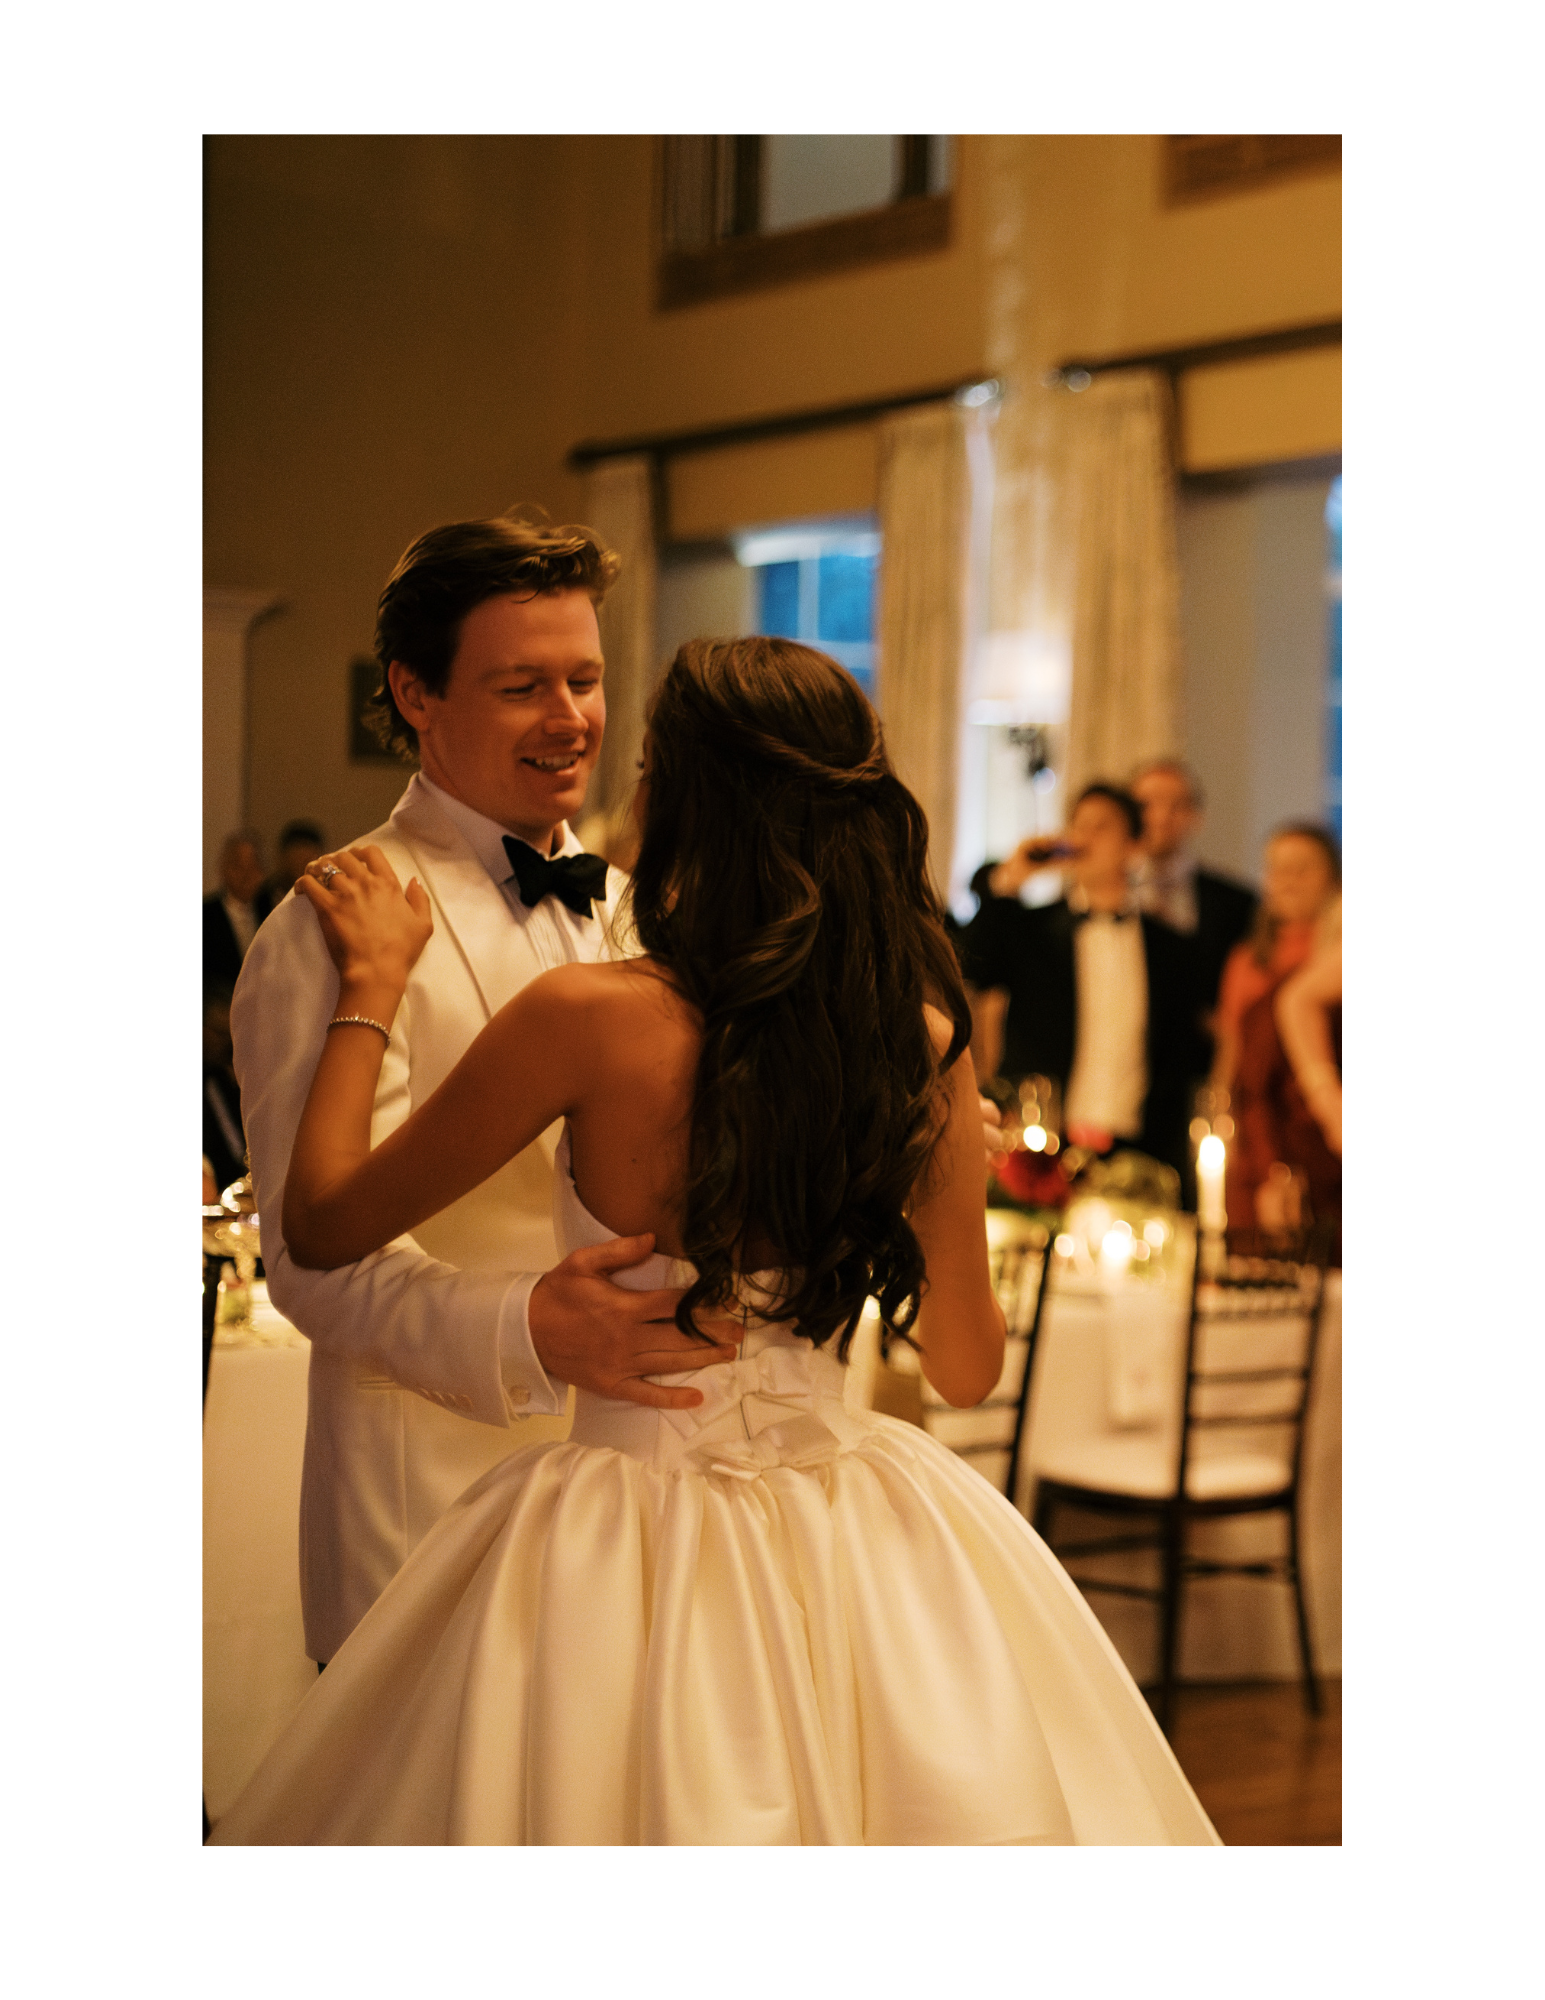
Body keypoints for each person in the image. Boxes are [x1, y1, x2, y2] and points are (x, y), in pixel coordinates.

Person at [211, 639, 1218, 1846]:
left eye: (647, 756)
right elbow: (963, 1365)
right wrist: (935, 1156)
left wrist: (370, 988)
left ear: (692, 794)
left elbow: (317, 1219)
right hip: (863, 1524)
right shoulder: (921, 1038)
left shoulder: (591, 1016)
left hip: (621, 1527)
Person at [230, 514, 742, 1669]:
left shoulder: (638, 908)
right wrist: (526, 1328)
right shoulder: (331, 925)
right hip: (430, 1503)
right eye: (522, 685)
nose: (569, 720)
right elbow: (311, 1261)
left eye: (586, 679)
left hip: (649, 1495)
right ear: (415, 693)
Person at [956, 784, 1207, 1182]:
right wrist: (1012, 877)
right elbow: (969, 966)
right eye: (1079, 826)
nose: (1085, 838)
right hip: (1043, 1146)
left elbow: (1182, 1055)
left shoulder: (1171, 948)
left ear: (1133, 845)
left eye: (1101, 827)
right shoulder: (1033, 929)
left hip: (1138, 1154)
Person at [1211, 824, 1341, 1241]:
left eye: (1301, 869)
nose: (1287, 881)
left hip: (1318, 1143)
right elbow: (1234, 1057)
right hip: (1261, 1133)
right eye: (1276, 870)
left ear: (1332, 878)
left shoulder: (1336, 952)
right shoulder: (1247, 959)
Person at [1128, 758, 1258, 1021]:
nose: (1161, 817)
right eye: (1146, 805)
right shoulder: (1097, 896)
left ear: (1197, 816)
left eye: (1177, 805)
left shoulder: (1237, 902)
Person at [203, 831, 265, 997]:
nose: (246, 876)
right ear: (223, 870)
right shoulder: (206, 916)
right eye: (238, 867)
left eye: (253, 867)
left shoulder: (270, 912)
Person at [254, 818, 326, 923]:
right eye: (298, 858)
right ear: (283, 858)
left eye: (309, 860)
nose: (303, 867)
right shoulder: (259, 899)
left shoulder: (322, 900)